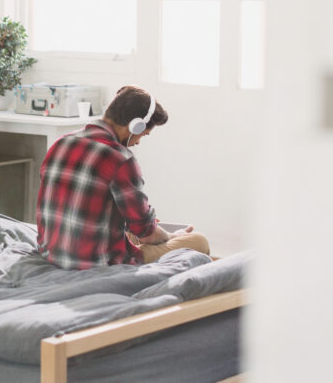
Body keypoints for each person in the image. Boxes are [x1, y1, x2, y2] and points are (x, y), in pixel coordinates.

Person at [36, 85, 209, 269]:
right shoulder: (120, 159)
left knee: (136, 226)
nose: (138, 141)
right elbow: (147, 234)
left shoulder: (60, 143)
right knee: (199, 241)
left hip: (50, 253)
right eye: (143, 134)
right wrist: (172, 236)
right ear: (136, 125)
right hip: (97, 261)